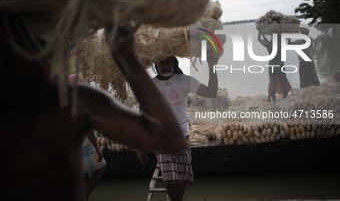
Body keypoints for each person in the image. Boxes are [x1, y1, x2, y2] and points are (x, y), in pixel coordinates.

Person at [0, 20, 186, 201]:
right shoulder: (70, 101)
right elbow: (169, 139)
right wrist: (126, 57)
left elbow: (169, 140)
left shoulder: (69, 100)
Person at [137, 55, 220, 201]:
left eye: (168, 60)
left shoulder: (184, 80)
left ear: (174, 62)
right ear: (155, 63)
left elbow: (211, 93)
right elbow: (143, 112)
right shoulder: (150, 85)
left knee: (181, 178)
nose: (165, 64)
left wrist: (212, 67)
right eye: (161, 60)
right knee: (169, 179)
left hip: (183, 136)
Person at [69, 74, 106, 200]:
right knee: (101, 167)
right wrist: (97, 148)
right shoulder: (81, 103)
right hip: (83, 145)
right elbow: (88, 129)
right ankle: (84, 195)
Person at [258, 25, 292, 101]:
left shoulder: (269, 45)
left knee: (272, 82)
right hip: (280, 64)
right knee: (283, 80)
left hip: (272, 64)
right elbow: (287, 38)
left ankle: (272, 100)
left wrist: (260, 31)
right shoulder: (281, 43)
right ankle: (285, 97)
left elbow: (259, 39)